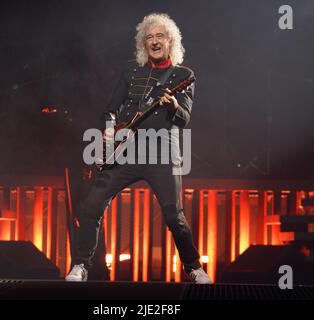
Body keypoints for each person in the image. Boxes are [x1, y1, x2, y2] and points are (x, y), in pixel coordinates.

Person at [66, 13, 211, 284]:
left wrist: (173, 105)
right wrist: (109, 132)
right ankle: (80, 266)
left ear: (170, 41)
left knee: (173, 215)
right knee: (91, 206)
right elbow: (110, 109)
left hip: (162, 153)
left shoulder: (184, 75)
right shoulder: (131, 69)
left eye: (160, 36)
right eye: (149, 37)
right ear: (143, 43)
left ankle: (193, 267)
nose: (154, 41)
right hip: (126, 151)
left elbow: (184, 118)